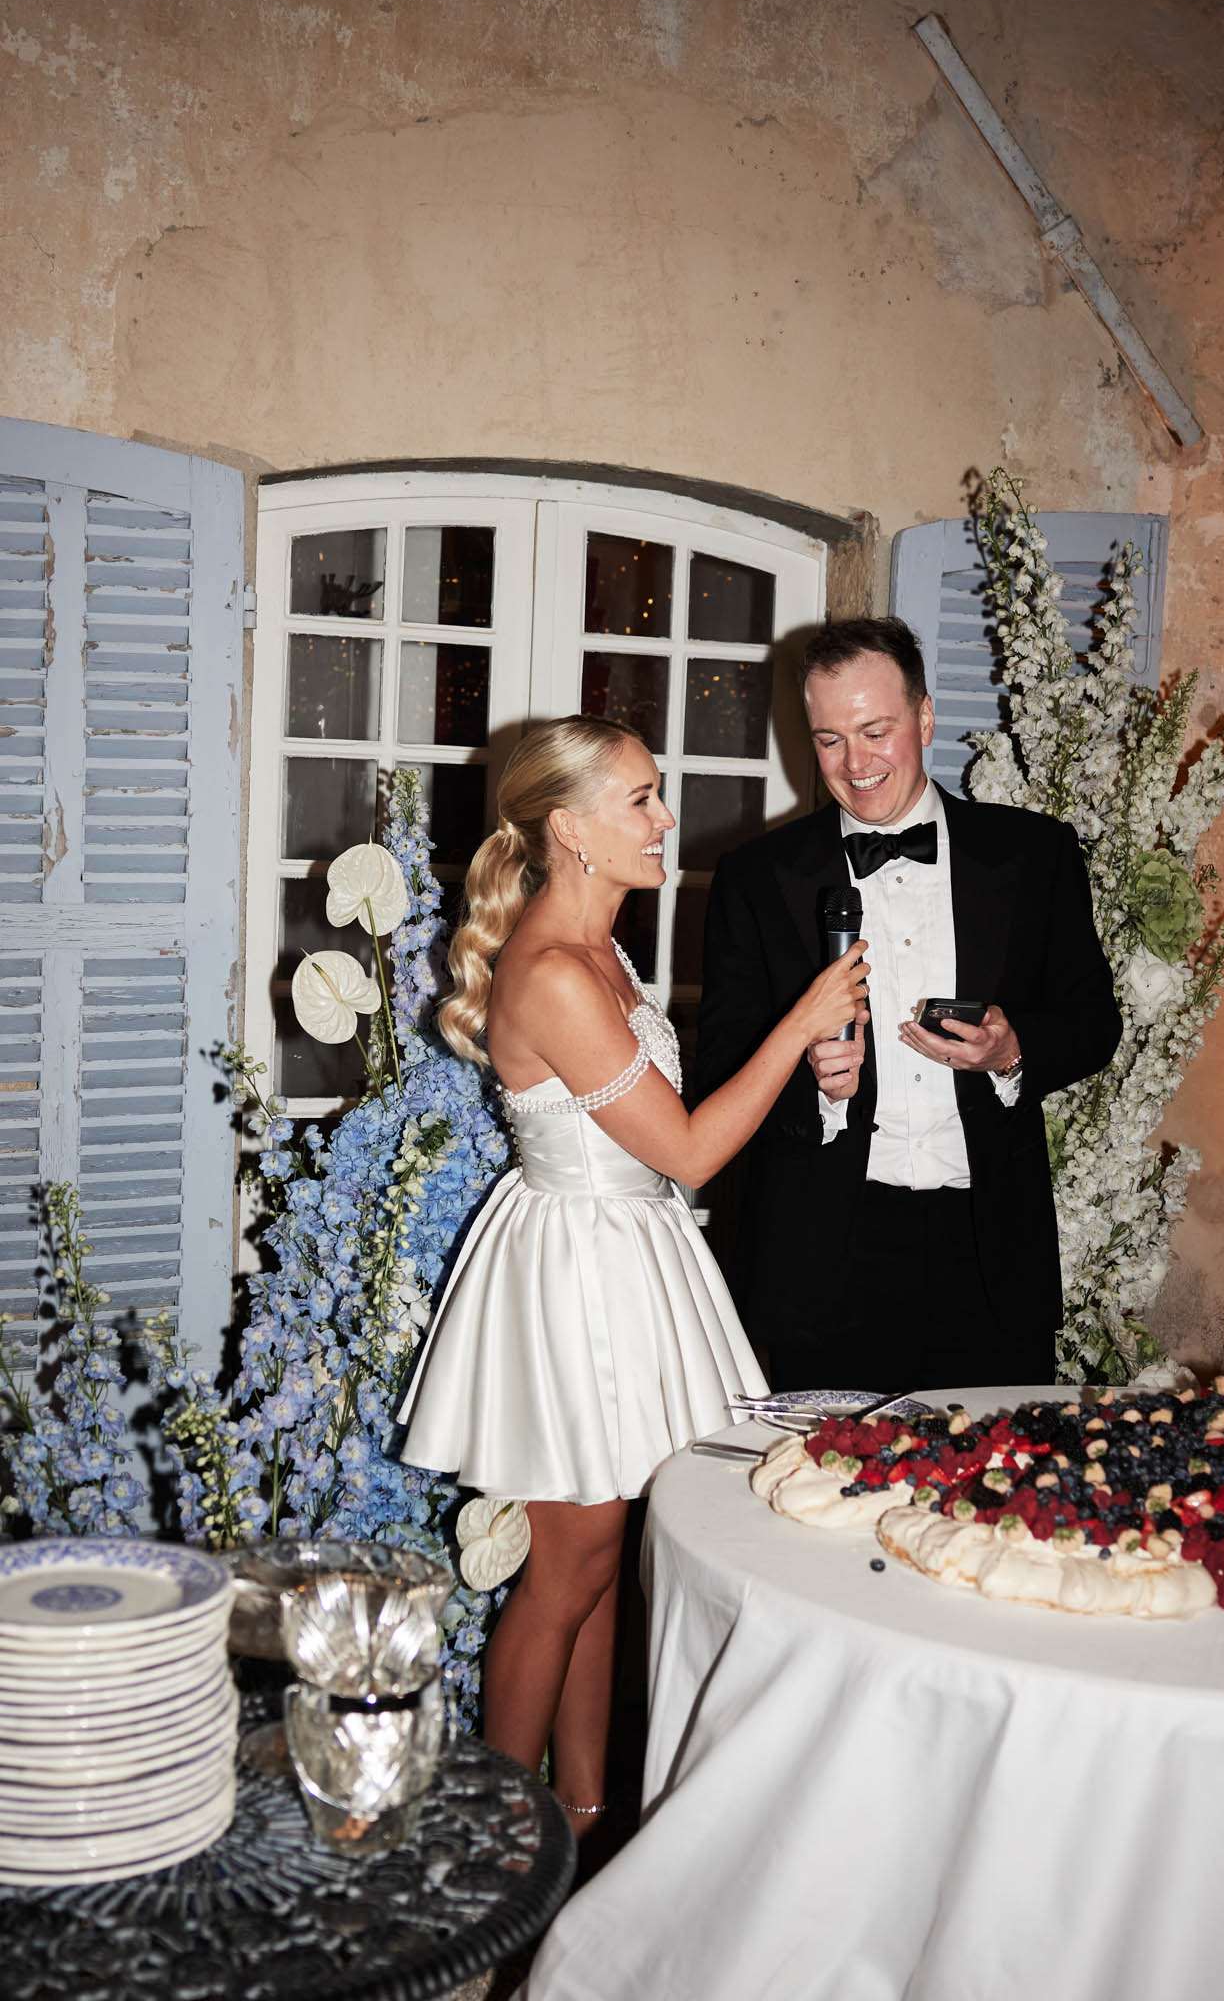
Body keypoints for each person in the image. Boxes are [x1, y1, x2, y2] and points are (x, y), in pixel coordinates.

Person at [397, 715, 866, 1829]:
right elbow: (694, 1148)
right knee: (567, 1570)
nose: (667, 821)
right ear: (569, 828)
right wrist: (803, 1020)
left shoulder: (601, 947)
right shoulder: (557, 970)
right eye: (643, 800)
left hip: (630, 1249)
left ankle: (586, 1807)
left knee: (603, 1558)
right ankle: (498, 1856)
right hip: (577, 1269)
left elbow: (661, 1148)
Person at [695, 617, 1122, 1396]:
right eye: (828, 739)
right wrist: (813, 1084)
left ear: (924, 719)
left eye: (875, 731)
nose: (855, 764)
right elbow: (719, 1064)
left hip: (989, 1251)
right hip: (822, 1259)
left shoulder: (1034, 854)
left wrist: (1009, 1049)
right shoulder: (757, 877)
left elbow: (1093, 1022)